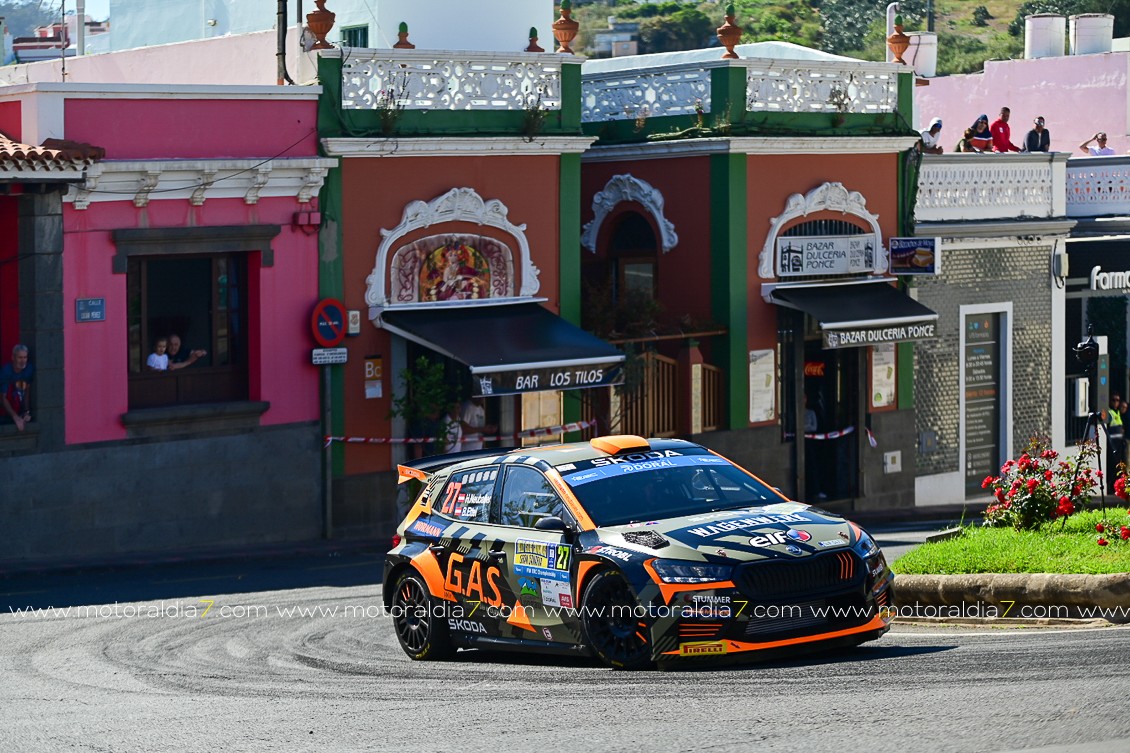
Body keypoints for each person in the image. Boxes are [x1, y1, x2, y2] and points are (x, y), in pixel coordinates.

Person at [0, 344, 34, 432]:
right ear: (13, 357)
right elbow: (3, 398)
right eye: (20, 357)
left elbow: (27, 391)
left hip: (19, 404)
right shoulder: (6, 371)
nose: (23, 361)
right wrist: (15, 417)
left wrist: (26, 412)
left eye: (25, 357)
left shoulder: (29, 369)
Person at [1107, 392, 1126, 493]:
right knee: (1113, 466)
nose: (1115, 402)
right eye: (1113, 400)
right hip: (1112, 445)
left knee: (1119, 466)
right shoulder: (1109, 413)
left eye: (1117, 400)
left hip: (1119, 445)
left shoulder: (1117, 412)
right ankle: (1111, 487)